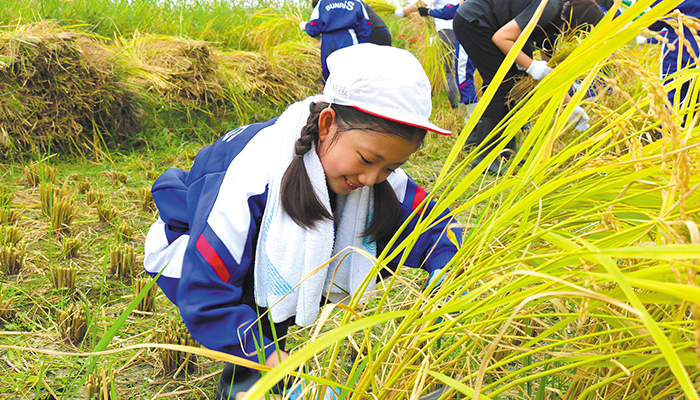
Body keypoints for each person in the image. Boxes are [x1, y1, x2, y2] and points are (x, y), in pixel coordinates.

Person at [143, 43, 462, 399]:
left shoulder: (368, 167)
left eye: (390, 167)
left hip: (241, 258)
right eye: (368, 160)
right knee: (256, 318)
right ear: (327, 125)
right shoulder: (251, 174)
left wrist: (448, 267)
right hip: (191, 255)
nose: (373, 178)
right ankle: (248, 385)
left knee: (383, 216)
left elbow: (433, 224)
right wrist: (284, 370)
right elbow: (206, 293)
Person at [453, 0, 604, 173]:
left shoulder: (555, 28)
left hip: (495, 25)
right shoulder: (550, 7)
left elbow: (551, 77)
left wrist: (570, 107)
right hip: (475, 21)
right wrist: (532, 66)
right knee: (501, 85)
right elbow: (501, 38)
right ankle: (485, 159)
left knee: (515, 85)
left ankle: (504, 152)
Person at [395, 0, 462, 109]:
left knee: (446, 72)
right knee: (446, 70)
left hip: (445, 33)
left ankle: (456, 108)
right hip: (458, 30)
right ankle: (427, 103)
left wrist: (402, 11)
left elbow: (421, 4)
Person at [300, 0, 372, 82]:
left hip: (328, 41)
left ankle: (329, 93)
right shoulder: (356, 2)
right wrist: (359, 44)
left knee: (329, 73)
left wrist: (305, 26)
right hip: (349, 38)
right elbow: (365, 27)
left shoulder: (322, 3)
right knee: (351, 73)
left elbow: (314, 28)